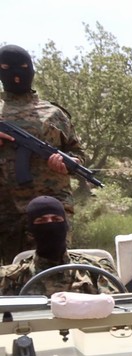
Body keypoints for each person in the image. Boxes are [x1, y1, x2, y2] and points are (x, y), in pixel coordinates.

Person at [0, 44, 89, 263]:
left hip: (51, 210)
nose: (17, 76)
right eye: (7, 68)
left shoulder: (54, 113)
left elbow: (77, 152)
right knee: (12, 279)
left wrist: (70, 163)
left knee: (53, 270)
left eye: (22, 68)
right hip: (6, 209)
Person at [0, 196, 119, 296]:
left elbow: (121, 312)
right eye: (41, 221)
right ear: (31, 231)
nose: (50, 225)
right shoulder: (11, 276)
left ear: (65, 226)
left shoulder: (97, 268)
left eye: (56, 219)